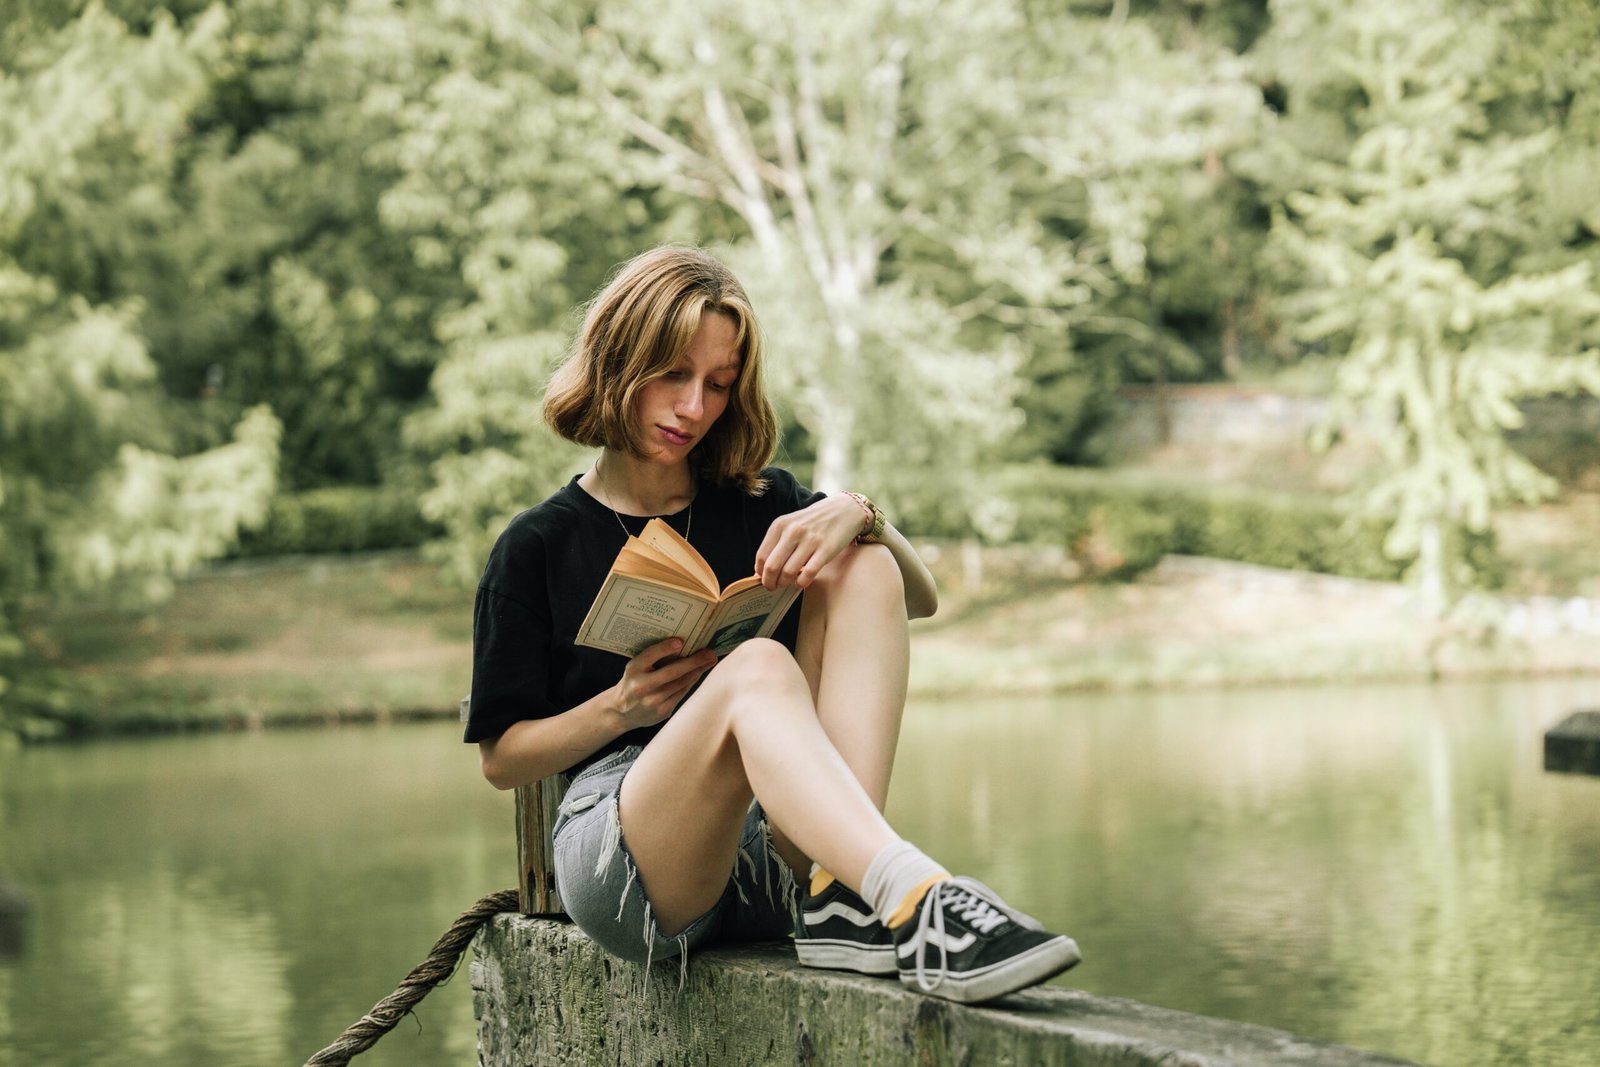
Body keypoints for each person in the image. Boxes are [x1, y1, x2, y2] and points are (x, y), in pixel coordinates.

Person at [464, 245, 1080, 1004]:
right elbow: (502, 759)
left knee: (863, 564)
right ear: (620, 360)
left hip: (768, 846)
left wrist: (860, 517)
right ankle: (915, 892)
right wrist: (623, 707)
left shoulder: (758, 500)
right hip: (629, 858)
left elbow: (913, 600)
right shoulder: (536, 545)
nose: (694, 407)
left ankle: (842, 893)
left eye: (718, 384)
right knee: (754, 669)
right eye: (674, 375)